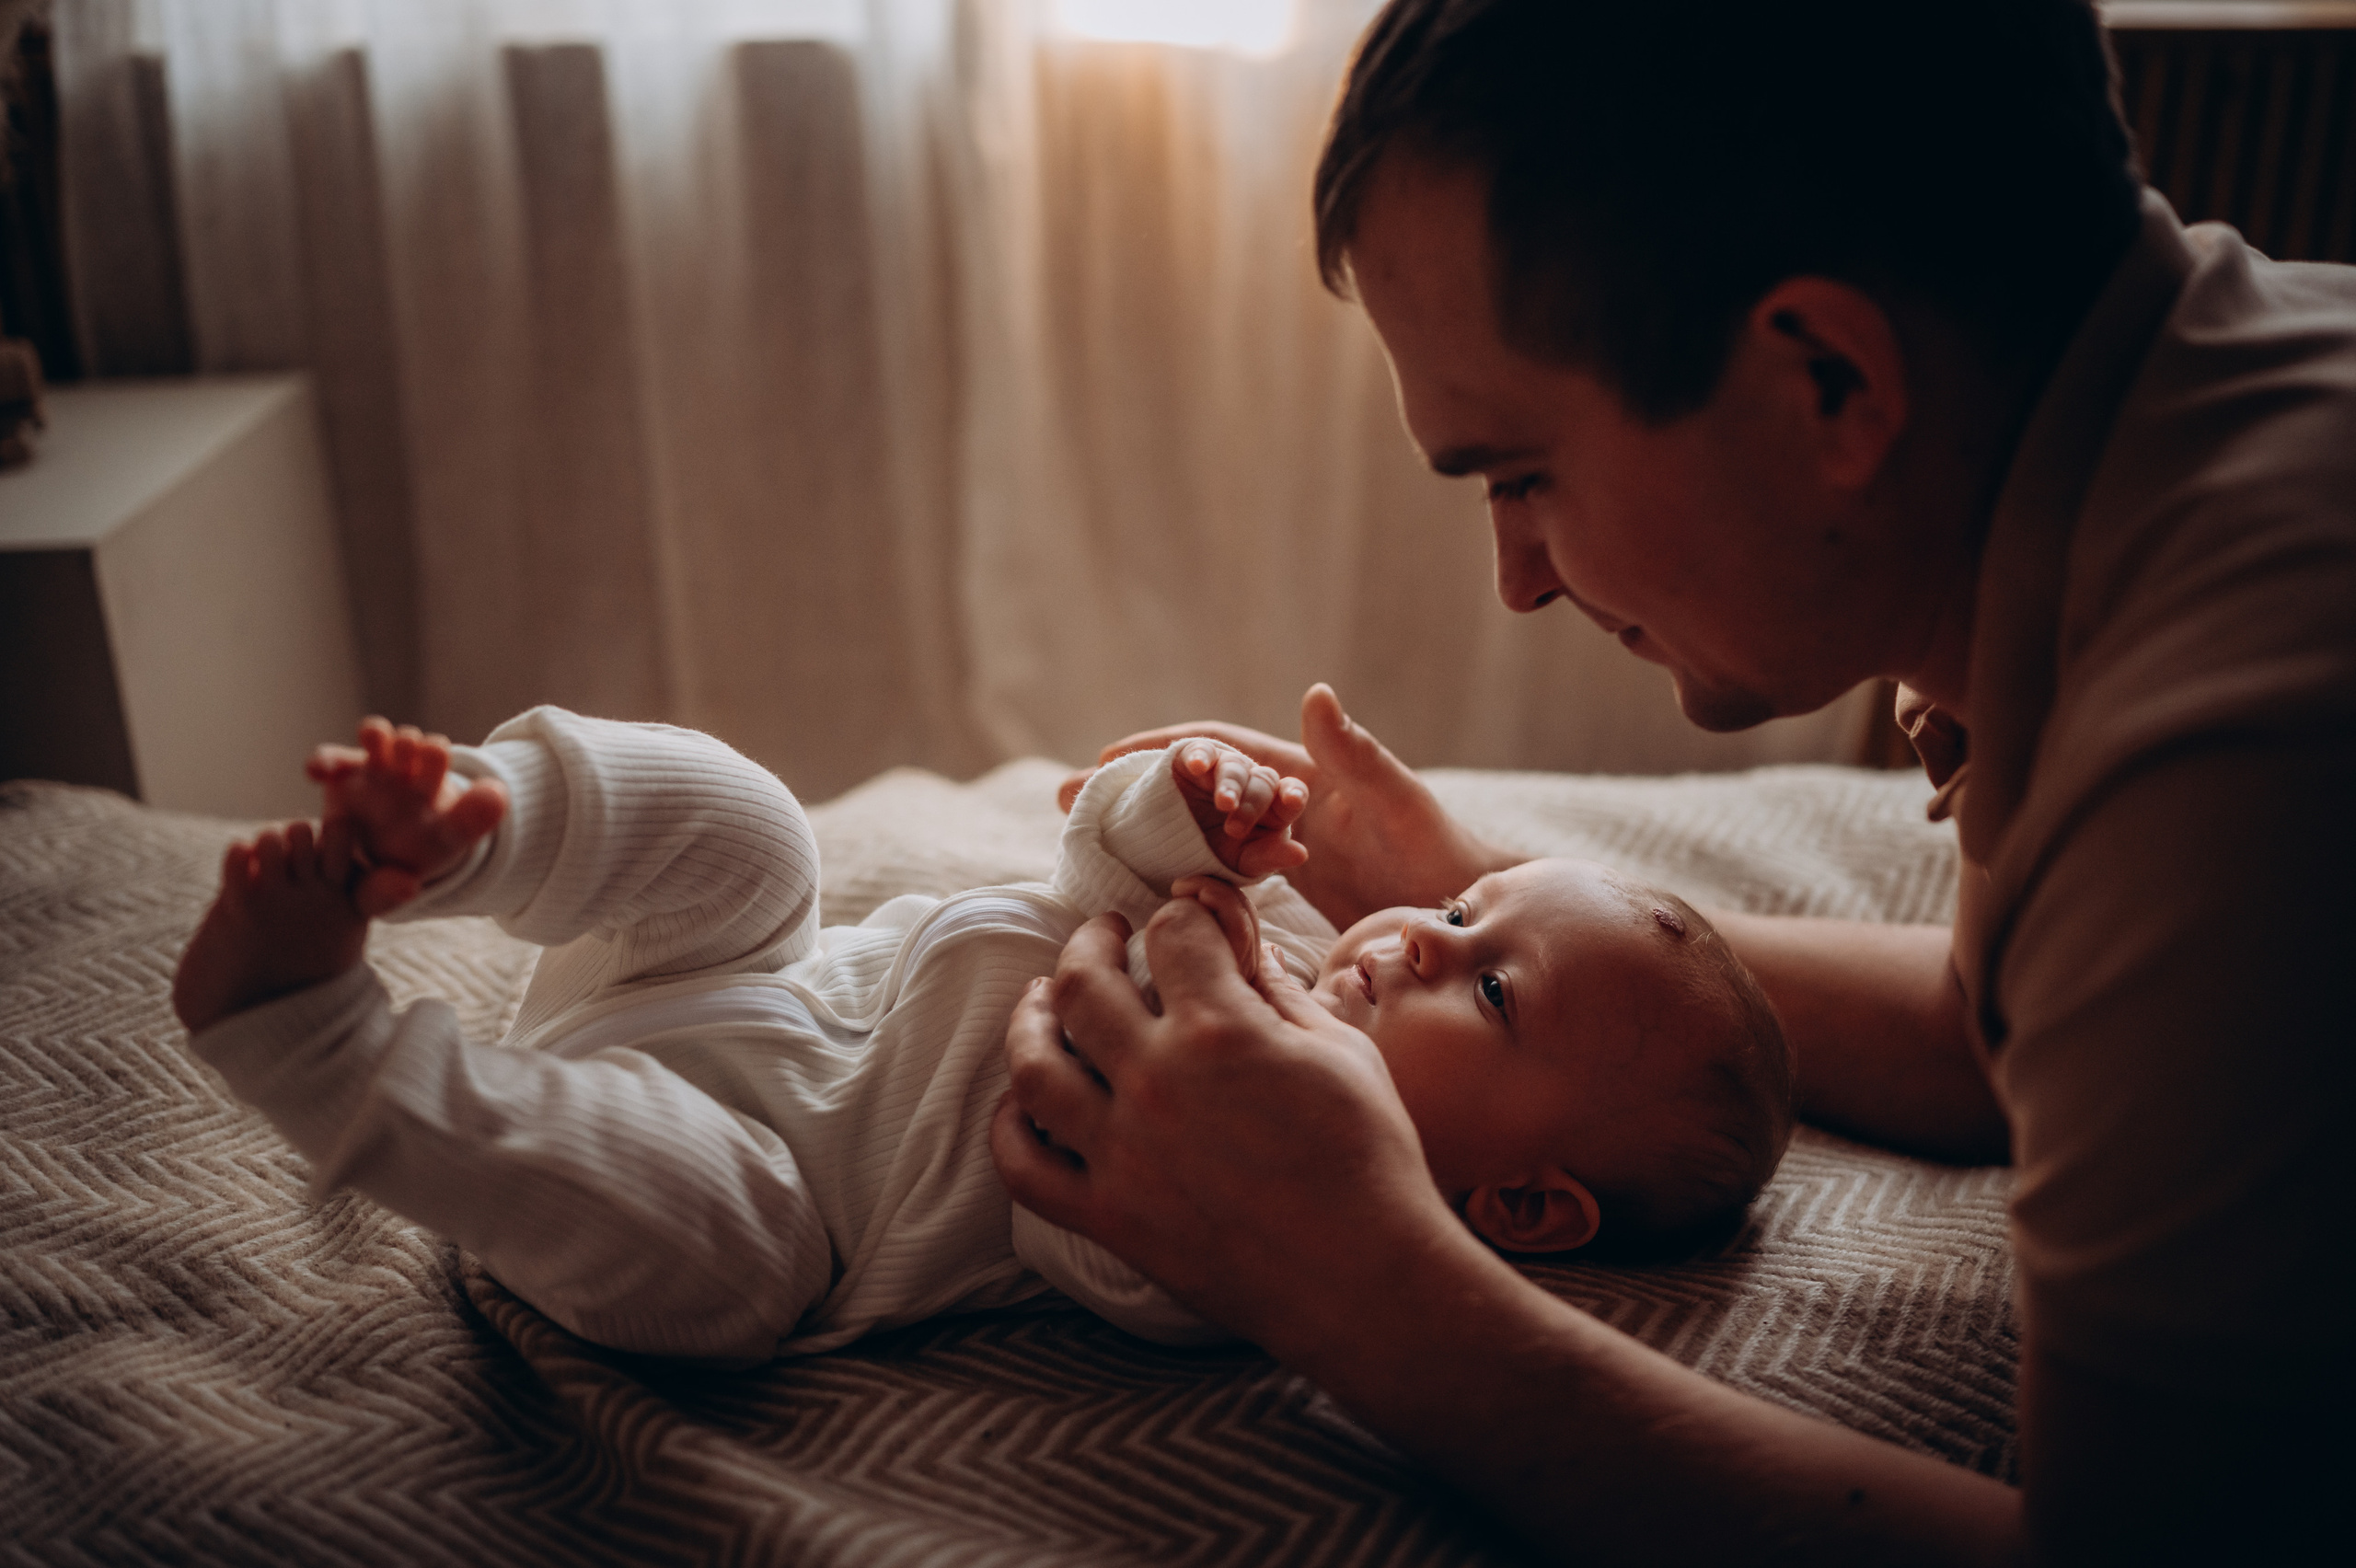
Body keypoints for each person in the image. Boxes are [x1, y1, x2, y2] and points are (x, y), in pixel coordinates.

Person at [996, 1, 2354, 1562]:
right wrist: (1460, 886)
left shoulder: (2240, 735)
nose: (1515, 578)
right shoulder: (2166, 433)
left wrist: (1344, 1272)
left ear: (1827, 383)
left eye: (1521, 475)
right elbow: (2003, 1036)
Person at [171, 707, 1789, 1363]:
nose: (1421, 941)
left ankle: (318, 1039)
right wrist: (1188, 810)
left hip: (759, 1172)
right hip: (750, 986)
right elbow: (1091, 863)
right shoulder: (1294, 949)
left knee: (738, 1260)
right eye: (1467, 911)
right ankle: (478, 825)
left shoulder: (1269, 1236)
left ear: (1518, 1205)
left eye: (1489, 991)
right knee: (754, 836)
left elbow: (1093, 1240)